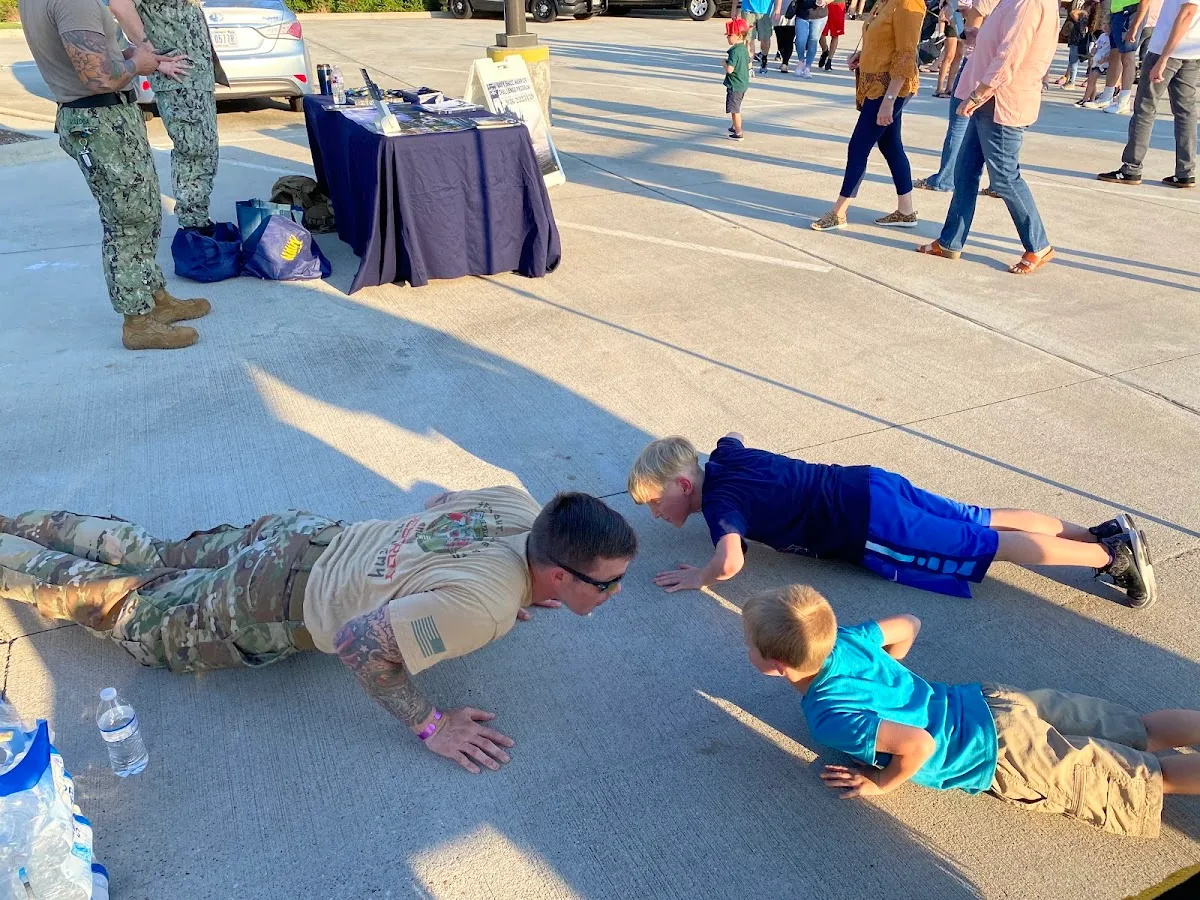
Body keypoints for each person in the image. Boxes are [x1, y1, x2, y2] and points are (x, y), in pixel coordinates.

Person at [0, 489, 639, 775]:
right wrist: (433, 725)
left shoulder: (520, 508)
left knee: (155, 551)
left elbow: (440, 506)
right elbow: (362, 646)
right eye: (606, 583)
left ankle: (15, 520)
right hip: (266, 600)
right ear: (558, 575)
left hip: (302, 536)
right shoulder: (487, 608)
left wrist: (462, 584)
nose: (613, 593)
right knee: (121, 606)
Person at [742, 585, 1200, 838]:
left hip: (995, 753)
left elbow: (918, 746)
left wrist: (883, 783)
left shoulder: (828, 715)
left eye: (749, 646)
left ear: (778, 667)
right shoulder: (846, 640)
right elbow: (908, 624)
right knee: (1137, 729)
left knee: (1145, 776)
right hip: (994, 703)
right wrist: (890, 671)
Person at [628, 433, 1156, 607]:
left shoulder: (722, 509)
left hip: (870, 523)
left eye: (654, 502)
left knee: (983, 543)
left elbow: (730, 560)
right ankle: (1099, 532)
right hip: (869, 482)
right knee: (979, 516)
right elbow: (733, 437)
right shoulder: (724, 458)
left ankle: (1112, 555)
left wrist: (700, 577)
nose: (655, 513)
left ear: (681, 486)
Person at [17, 0, 208, 351]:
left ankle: (154, 297)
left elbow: (82, 53)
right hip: (101, 122)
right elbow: (96, 77)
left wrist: (124, 52)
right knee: (129, 222)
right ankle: (138, 321)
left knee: (147, 212)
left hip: (101, 118)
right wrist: (140, 63)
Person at [917, 0, 1060, 275]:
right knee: (965, 172)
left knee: (1005, 177)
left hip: (999, 100)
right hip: (987, 98)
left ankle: (1038, 245)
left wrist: (979, 93)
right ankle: (950, 241)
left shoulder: (1030, 3)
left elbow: (1011, 54)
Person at [810, 0, 925, 231]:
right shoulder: (886, 2)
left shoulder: (908, 4)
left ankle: (839, 212)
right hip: (877, 84)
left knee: (858, 146)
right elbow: (886, 40)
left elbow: (906, 53)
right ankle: (906, 211)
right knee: (890, 145)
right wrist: (864, 56)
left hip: (889, 88)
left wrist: (889, 102)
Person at [107, 0, 220, 234]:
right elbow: (120, 4)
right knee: (195, 149)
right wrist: (151, 54)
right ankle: (195, 227)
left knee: (203, 148)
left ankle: (197, 220)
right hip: (180, 77)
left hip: (194, 76)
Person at [1097, 0, 1200, 187]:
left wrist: (1164, 58)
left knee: (1145, 109)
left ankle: (1131, 168)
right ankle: (1185, 172)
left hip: (1167, 52)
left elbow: (1188, 12)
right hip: (1190, 54)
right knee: (1186, 113)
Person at [915, 1, 999, 194]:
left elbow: (969, 37)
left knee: (959, 123)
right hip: (997, 66)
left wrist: (957, 17)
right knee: (995, 126)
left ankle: (945, 179)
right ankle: (1000, 182)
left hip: (977, 63)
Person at [1091, 0, 1145, 113]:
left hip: (1131, 12)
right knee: (1114, 54)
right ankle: (1107, 96)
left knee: (1127, 56)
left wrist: (1135, 25)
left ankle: (1124, 101)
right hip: (1117, 12)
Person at [736, 0, 784, 76]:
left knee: (765, 39)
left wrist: (777, 9)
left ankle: (764, 59)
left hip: (765, 11)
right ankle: (749, 65)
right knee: (748, 39)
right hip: (747, 10)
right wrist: (734, 10)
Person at [724, 17, 752, 140]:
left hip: (735, 85)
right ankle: (735, 125)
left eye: (730, 35)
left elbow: (730, 69)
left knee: (735, 110)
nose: (727, 37)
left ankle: (738, 132)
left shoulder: (734, 52)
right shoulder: (744, 49)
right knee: (736, 105)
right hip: (743, 83)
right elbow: (748, 63)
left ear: (739, 35)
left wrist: (724, 63)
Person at [793, 0, 830, 77]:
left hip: (819, 16)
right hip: (802, 14)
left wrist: (826, 1)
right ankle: (801, 60)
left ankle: (807, 67)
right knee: (800, 40)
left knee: (813, 40)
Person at [934, 0, 964, 95]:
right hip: (954, 15)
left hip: (967, 17)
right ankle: (939, 88)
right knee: (949, 55)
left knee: (958, 56)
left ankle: (950, 87)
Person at [1077, 23, 1112, 102]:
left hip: (1102, 64)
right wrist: (1093, 50)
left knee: (1091, 81)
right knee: (1092, 81)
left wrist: (1106, 59)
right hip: (1095, 61)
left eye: (1108, 25)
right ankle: (1092, 99)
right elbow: (1096, 46)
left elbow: (1113, 52)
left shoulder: (1111, 38)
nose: (1106, 26)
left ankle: (1085, 99)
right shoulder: (1102, 36)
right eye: (1105, 25)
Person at [820, 0, 847, 70]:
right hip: (824, 5)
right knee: (820, 33)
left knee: (835, 34)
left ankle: (829, 60)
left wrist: (853, 5)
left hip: (838, 5)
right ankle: (825, 50)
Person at [775, 7, 798, 73]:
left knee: (789, 39)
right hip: (778, 12)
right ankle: (784, 59)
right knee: (780, 40)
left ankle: (785, 63)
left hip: (793, 11)